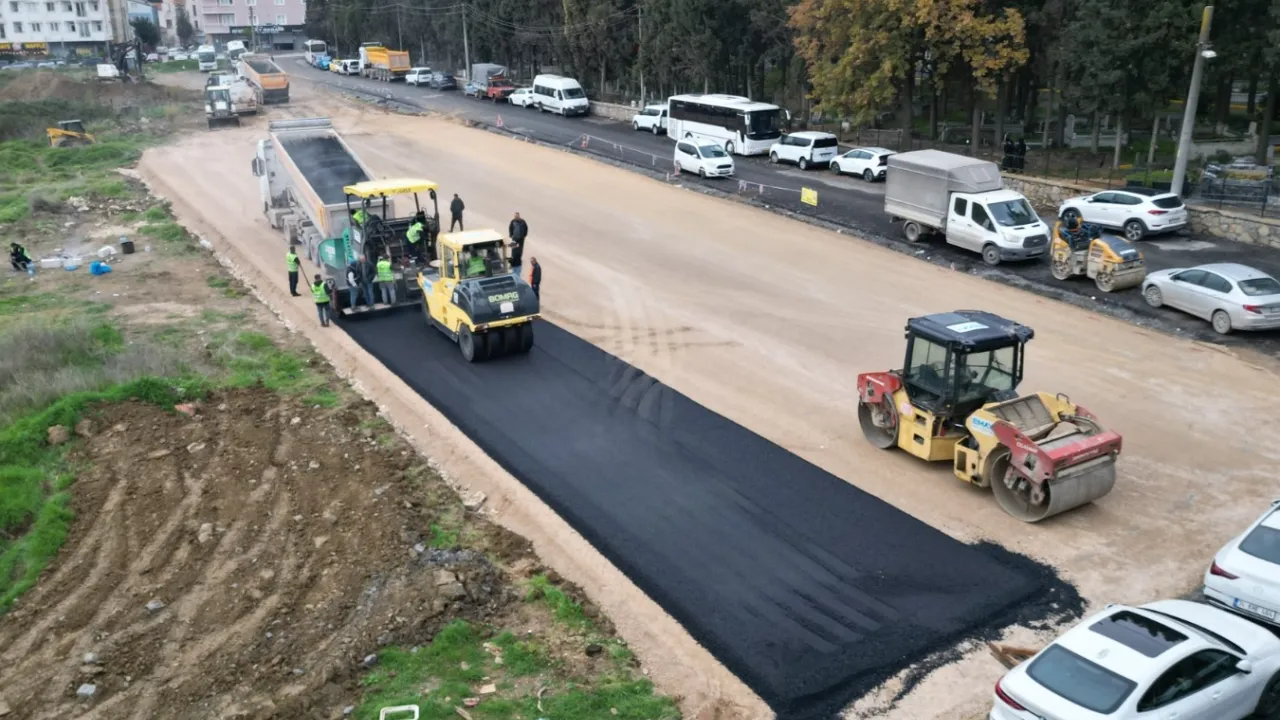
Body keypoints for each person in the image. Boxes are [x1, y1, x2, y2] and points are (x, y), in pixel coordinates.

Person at [508, 211, 527, 279]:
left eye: (517, 216)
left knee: (520, 249)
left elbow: (526, 228)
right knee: (513, 249)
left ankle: (518, 259)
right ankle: (513, 259)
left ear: (519, 216)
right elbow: (510, 228)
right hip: (515, 237)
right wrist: (510, 234)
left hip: (521, 238)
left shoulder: (523, 221)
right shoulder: (512, 221)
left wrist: (524, 235)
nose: (516, 217)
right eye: (515, 216)